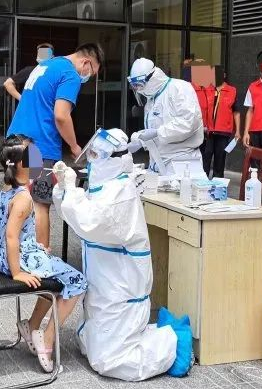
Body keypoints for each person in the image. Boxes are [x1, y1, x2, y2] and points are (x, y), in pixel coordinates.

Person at [51, 128, 192, 381]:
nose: (91, 160)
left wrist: (71, 190)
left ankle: (175, 341)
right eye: (91, 154)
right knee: (92, 345)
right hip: (104, 282)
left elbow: (90, 222)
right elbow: (74, 215)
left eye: (96, 155)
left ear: (114, 158)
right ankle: (161, 330)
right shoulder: (103, 186)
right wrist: (62, 189)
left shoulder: (120, 192)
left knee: (111, 362)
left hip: (122, 286)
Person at [0, 135, 87, 373]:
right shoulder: (24, 198)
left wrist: (35, 248)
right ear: (20, 164)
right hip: (16, 260)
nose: (39, 159)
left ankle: (31, 325)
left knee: (53, 272)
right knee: (77, 281)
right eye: (33, 156)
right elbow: (11, 236)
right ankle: (46, 338)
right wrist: (17, 272)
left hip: (5, 257)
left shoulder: (8, 188)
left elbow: (13, 233)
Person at [7, 43, 104, 248]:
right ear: (86, 62)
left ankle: (13, 253)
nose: (88, 77)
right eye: (92, 72)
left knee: (15, 198)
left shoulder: (47, 65)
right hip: (38, 146)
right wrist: (75, 146)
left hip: (15, 140)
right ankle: (41, 257)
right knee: (39, 204)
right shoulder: (70, 74)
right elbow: (61, 116)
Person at [127, 58, 205, 176]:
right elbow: (155, 132)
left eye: (140, 84)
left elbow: (188, 123)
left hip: (182, 163)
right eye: (135, 86)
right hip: (158, 163)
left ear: (152, 77)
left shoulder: (179, 88)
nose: (138, 89)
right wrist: (141, 141)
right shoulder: (151, 100)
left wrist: (157, 132)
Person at [194, 70, 240, 178]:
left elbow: (236, 112)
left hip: (223, 131)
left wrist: (238, 131)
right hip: (208, 131)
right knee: (205, 158)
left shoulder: (232, 90)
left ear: (224, 75)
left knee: (220, 160)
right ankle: (202, 181)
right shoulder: (207, 89)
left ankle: (218, 183)